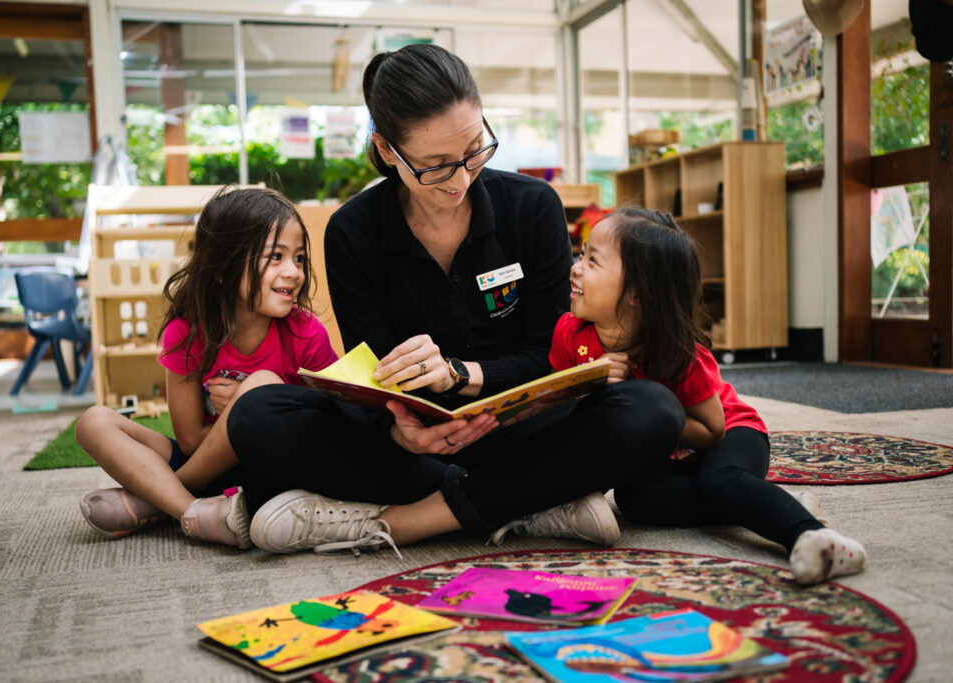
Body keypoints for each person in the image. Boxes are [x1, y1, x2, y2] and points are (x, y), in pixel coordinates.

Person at [212, 44, 685, 556]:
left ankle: (413, 519)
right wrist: (403, 433)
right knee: (256, 413)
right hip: (413, 445)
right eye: (436, 166)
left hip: (523, 428)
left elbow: (545, 357)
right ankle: (530, 499)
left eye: (474, 150)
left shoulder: (532, 208)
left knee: (653, 409)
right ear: (389, 151)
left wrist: (460, 374)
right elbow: (377, 380)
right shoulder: (353, 231)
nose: (461, 179)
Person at [548, 206, 867, 585]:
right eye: (581, 254)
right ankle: (765, 503)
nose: (575, 267)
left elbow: (711, 429)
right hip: (668, 453)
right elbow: (563, 410)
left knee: (722, 483)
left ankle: (811, 535)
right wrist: (593, 386)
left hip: (730, 432)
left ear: (636, 293)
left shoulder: (679, 353)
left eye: (593, 261)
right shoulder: (570, 334)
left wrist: (642, 405)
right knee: (636, 501)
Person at [75, 187, 338, 548]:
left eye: (299, 258)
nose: (294, 272)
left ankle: (159, 498)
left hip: (270, 466)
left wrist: (255, 404)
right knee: (94, 422)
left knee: (262, 384)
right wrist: (236, 415)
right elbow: (189, 439)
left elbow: (336, 418)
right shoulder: (187, 333)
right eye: (276, 257)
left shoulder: (306, 332)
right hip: (200, 458)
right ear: (221, 267)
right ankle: (194, 511)